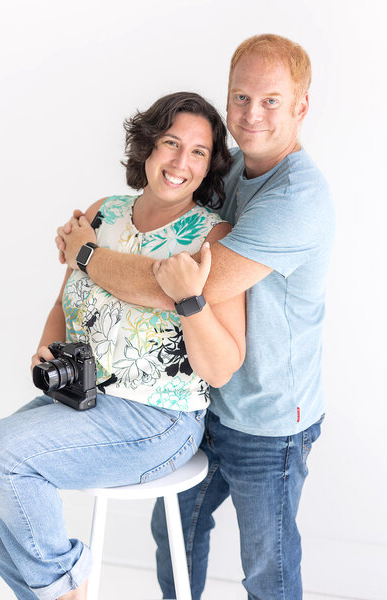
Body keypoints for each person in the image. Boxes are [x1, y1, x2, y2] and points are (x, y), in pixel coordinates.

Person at [56, 34, 335, 600]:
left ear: (301, 105)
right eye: (240, 98)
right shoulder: (227, 170)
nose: (251, 114)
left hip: (269, 420)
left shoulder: (299, 198)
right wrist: (96, 234)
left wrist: (86, 255)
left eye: (271, 101)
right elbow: (161, 237)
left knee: (267, 567)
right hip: (198, 403)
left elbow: (179, 287)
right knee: (177, 536)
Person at [0, 92, 246, 600]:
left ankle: (67, 590)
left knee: (1, 458)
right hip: (80, 399)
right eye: (171, 142)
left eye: (197, 151)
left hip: (158, 420)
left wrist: (189, 299)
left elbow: (221, 369)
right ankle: (60, 590)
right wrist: (48, 348)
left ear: (209, 165)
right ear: (147, 146)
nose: (180, 162)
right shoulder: (103, 214)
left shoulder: (212, 237)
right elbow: (66, 302)